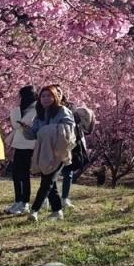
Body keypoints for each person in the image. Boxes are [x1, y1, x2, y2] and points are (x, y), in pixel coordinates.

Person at [24, 85, 75, 222]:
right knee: (49, 183)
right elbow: (34, 134)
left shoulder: (62, 111)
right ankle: (57, 211)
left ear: (55, 97)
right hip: (44, 152)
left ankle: (34, 210)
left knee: (47, 182)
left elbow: (70, 129)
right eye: (43, 96)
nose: (46, 99)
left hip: (59, 152)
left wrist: (49, 130)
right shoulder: (39, 114)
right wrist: (26, 129)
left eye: (49, 96)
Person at [7, 85, 37, 214]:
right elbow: (16, 125)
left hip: (29, 144)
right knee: (16, 173)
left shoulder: (37, 108)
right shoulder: (20, 109)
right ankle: (18, 200)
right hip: (19, 143)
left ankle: (24, 202)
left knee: (24, 174)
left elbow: (25, 124)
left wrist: (21, 123)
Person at [61, 98, 95, 210]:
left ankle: (64, 198)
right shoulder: (51, 110)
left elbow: (86, 127)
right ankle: (48, 198)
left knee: (68, 172)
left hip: (72, 144)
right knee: (52, 173)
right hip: (57, 143)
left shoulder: (75, 111)